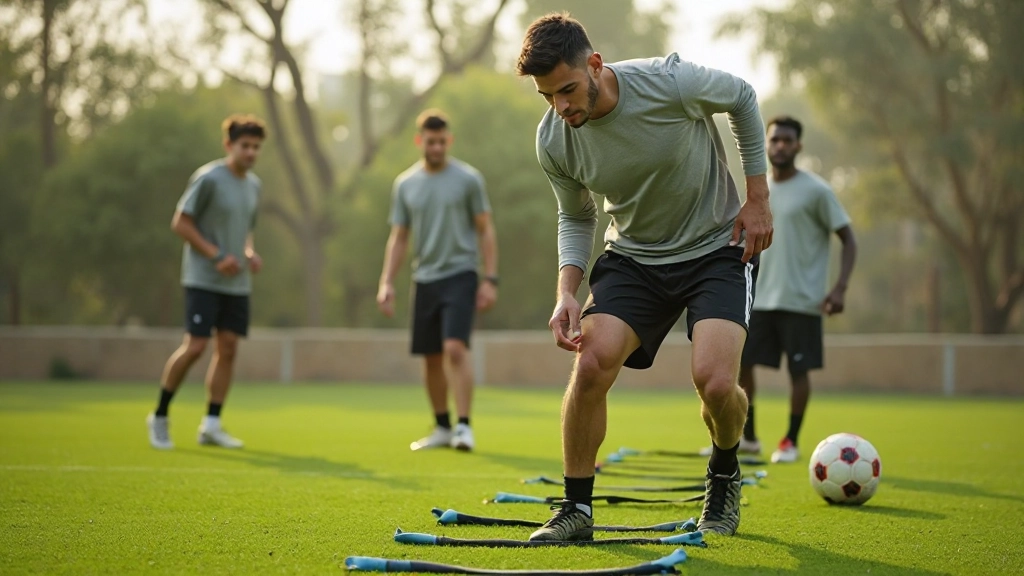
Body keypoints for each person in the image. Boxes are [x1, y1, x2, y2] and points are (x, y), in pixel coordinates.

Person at [516, 13, 772, 540]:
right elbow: (577, 215)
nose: (560, 108)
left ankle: (724, 471)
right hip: (634, 257)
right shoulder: (553, 140)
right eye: (547, 97)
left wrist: (758, 199)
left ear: (594, 65)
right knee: (592, 364)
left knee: (718, 383)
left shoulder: (669, 82)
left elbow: (743, 97)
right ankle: (576, 511)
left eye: (566, 90)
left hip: (717, 248)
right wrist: (567, 291)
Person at [706, 116, 857, 464]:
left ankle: (789, 440)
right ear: (767, 143)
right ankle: (748, 438)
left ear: (798, 146)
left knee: (798, 372)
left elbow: (849, 239)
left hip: (802, 300)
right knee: (742, 367)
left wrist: (840, 289)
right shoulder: (758, 192)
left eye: (787, 141)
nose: (780, 146)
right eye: (774, 140)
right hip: (758, 296)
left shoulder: (817, 191)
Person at [377, 109, 499, 453]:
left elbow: (485, 228)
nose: (436, 147)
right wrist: (387, 282)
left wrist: (489, 279)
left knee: (454, 349)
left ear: (450, 140)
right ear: (420, 141)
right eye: (430, 142)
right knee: (431, 357)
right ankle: (443, 426)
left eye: (442, 141)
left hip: (461, 273)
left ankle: (464, 427)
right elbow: (399, 237)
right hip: (424, 278)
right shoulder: (405, 184)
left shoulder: (469, 179)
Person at [146, 114, 265, 450]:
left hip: (237, 284)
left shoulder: (254, 185)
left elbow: (246, 231)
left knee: (227, 350)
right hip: (203, 279)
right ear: (229, 145)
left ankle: (211, 424)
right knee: (196, 346)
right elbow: (181, 223)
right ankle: (159, 415)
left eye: (256, 147)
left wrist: (249, 253)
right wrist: (216, 256)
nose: (251, 153)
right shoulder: (209, 178)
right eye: (245, 146)